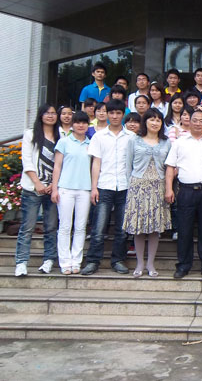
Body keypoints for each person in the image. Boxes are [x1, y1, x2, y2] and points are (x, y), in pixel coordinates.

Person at [81, 100, 134, 276]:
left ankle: (118, 260)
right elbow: (96, 163)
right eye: (112, 113)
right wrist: (94, 187)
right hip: (104, 185)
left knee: (122, 229)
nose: (115, 116)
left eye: (118, 113)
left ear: (123, 115)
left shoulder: (131, 137)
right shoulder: (99, 136)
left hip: (125, 186)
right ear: (107, 114)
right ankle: (92, 261)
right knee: (98, 228)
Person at [165, 109, 202, 279]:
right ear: (188, 121)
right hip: (186, 191)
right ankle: (183, 265)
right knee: (184, 230)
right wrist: (168, 188)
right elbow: (170, 167)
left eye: (201, 121)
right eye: (194, 120)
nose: (197, 123)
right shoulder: (180, 142)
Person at [123, 109, 171, 278]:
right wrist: (131, 185)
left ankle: (150, 263)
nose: (155, 123)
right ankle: (140, 263)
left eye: (158, 120)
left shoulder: (166, 142)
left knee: (154, 228)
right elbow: (128, 165)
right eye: (152, 119)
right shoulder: (134, 140)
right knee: (139, 227)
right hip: (138, 187)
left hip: (158, 186)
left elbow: (169, 166)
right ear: (145, 121)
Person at [14, 104, 59, 277]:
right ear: (41, 115)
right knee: (27, 226)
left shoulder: (60, 135)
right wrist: (37, 183)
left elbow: (61, 163)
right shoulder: (30, 134)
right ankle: (21, 262)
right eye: (47, 113)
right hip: (32, 188)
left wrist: (53, 184)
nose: (50, 116)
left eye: (53, 113)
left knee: (51, 226)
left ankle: (48, 260)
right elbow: (27, 160)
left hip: (52, 189)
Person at [51, 111, 91, 274]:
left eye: (84, 122)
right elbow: (57, 166)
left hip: (85, 189)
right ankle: (65, 262)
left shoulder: (91, 143)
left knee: (80, 227)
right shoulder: (64, 142)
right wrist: (54, 189)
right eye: (77, 122)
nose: (81, 125)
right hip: (65, 188)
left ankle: (76, 261)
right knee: (65, 226)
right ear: (72, 124)